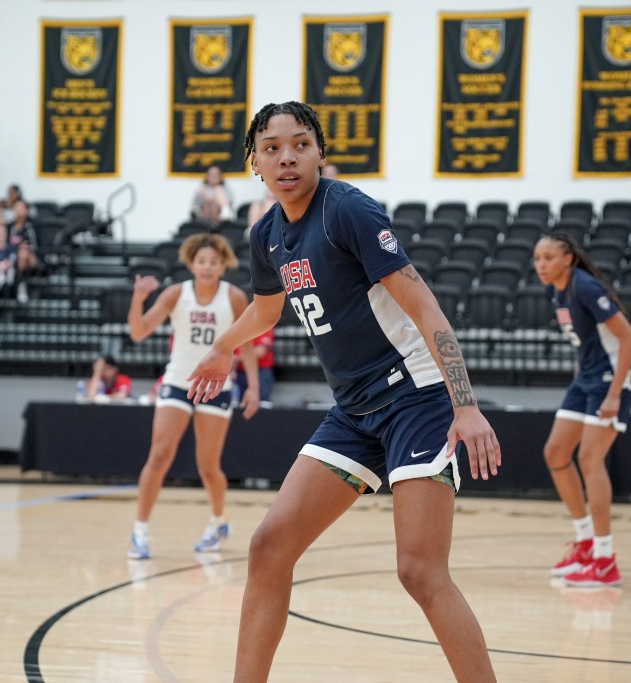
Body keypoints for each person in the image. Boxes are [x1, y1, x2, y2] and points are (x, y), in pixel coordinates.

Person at [187, 102, 501, 682]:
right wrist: (223, 346)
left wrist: (465, 403)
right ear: (254, 161)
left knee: (420, 571)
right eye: (272, 147)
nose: (287, 157)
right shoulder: (265, 234)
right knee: (269, 548)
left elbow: (423, 303)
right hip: (354, 411)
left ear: (319, 153)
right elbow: (266, 310)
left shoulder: (346, 209)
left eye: (300, 144)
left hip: (415, 397)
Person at [125, 233, 259, 559]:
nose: (207, 267)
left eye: (214, 262)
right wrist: (138, 299)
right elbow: (138, 332)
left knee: (208, 466)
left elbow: (247, 346)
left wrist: (253, 387)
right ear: (191, 264)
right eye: (202, 261)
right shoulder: (176, 294)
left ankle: (218, 522)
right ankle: (139, 531)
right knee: (159, 455)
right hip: (178, 382)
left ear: (223, 266)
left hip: (216, 386)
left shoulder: (234, 297)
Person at [532, 231, 631, 588]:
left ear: (568, 259)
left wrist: (614, 394)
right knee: (555, 452)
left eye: (548, 257)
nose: (541, 264)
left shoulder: (586, 287)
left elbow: (628, 339)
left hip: (612, 378)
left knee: (590, 460)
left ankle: (605, 560)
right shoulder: (556, 290)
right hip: (587, 376)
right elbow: (587, 342)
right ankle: (586, 542)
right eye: (537, 258)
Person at [6, 200, 38, 304]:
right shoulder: (8, 227)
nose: (19, 210)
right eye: (16, 208)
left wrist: (26, 247)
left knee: (23, 253)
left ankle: (20, 284)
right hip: (11, 255)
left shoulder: (31, 225)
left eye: (21, 208)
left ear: (26, 211)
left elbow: (36, 245)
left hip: (30, 257)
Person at [235, 328, 275, 406]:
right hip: (240, 371)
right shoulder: (237, 327)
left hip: (261, 371)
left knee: (262, 404)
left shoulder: (263, 326)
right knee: (241, 405)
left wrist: (237, 359)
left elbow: (260, 352)